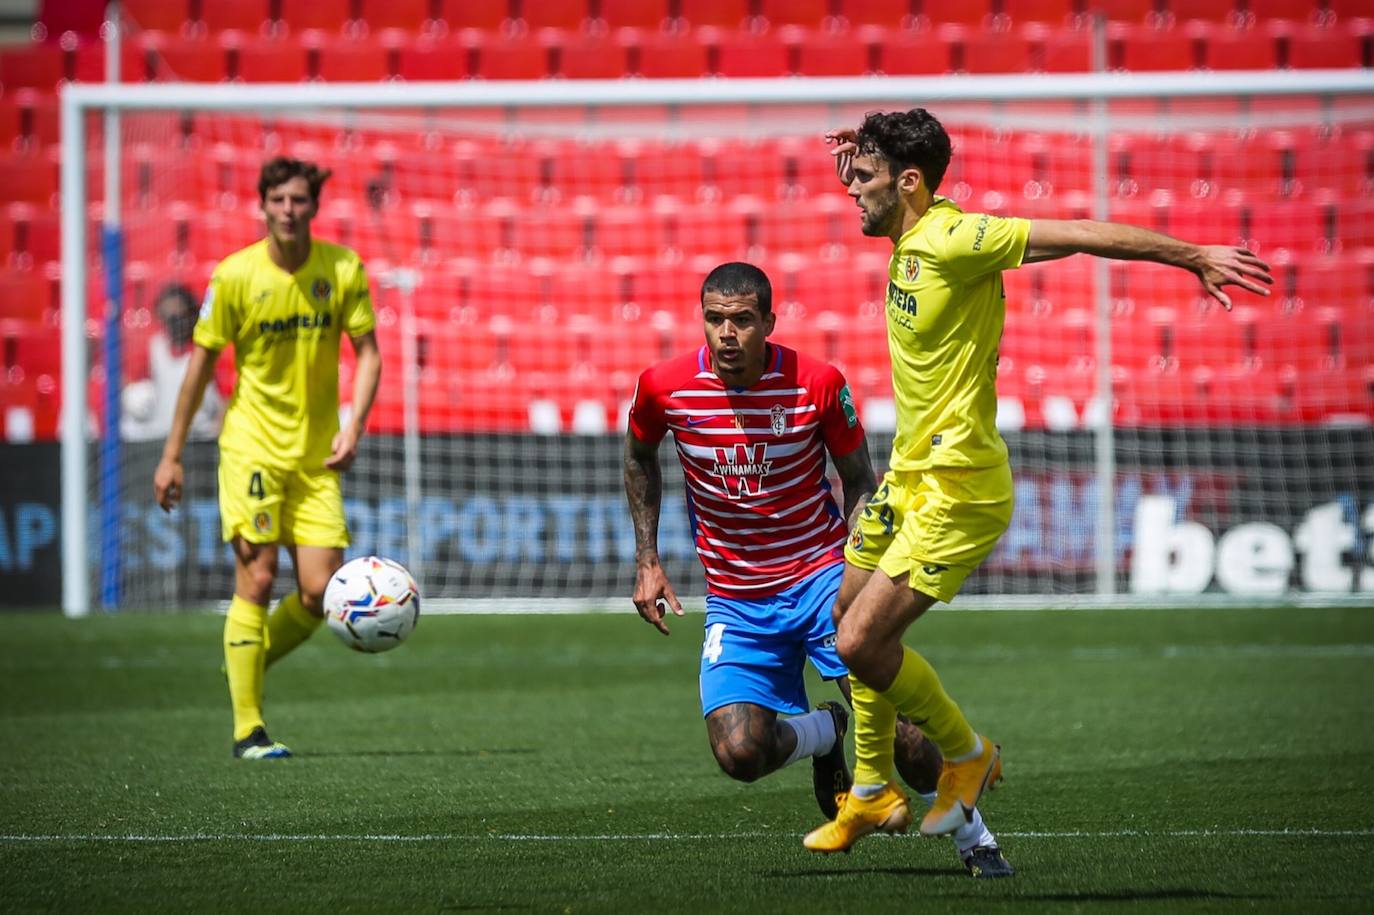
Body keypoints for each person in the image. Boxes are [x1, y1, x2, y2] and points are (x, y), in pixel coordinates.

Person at [802, 109, 1274, 854]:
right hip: (909, 474)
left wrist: (1191, 255)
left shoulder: (960, 239)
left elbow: (1085, 232)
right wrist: (861, 155)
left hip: (959, 487)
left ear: (911, 182)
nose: (851, 190)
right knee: (844, 615)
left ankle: (966, 753)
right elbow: (883, 188)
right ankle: (868, 788)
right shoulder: (906, 233)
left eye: (863, 179)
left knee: (861, 644)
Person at [624, 261, 1012, 877]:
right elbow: (640, 457)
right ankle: (826, 733)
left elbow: (859, 480)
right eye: (715, 319)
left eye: (743, 321)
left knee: (908, 742)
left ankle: (977, 841)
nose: (727, 334)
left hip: (822, 580)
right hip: (735, 599)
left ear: (769, 323)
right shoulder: (663, 387)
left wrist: (865, 564)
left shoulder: (818, 383)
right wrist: (647, 560)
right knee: (740, 753)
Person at [153, 157, 383, 760]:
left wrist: (353, 425)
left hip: (316, 460)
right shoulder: (235, 277)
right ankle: (247, 727)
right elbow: (200, 365)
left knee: (317, 593)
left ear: (313, 206)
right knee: (255, 577)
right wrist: (171, 455)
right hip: (252, 447)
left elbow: (370, 355)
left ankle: (242, 663)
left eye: (299, 200)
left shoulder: (341, 268)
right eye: (278, 199)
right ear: (263, 205)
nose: (288, 209)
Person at [120, 282, 225, 442]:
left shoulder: (207, 351)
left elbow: (224, 398)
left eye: (179, 317)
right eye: (169, 318)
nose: (175, 325)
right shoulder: (155, 348)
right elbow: (129, 383)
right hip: (157, 438)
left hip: (199, 441)